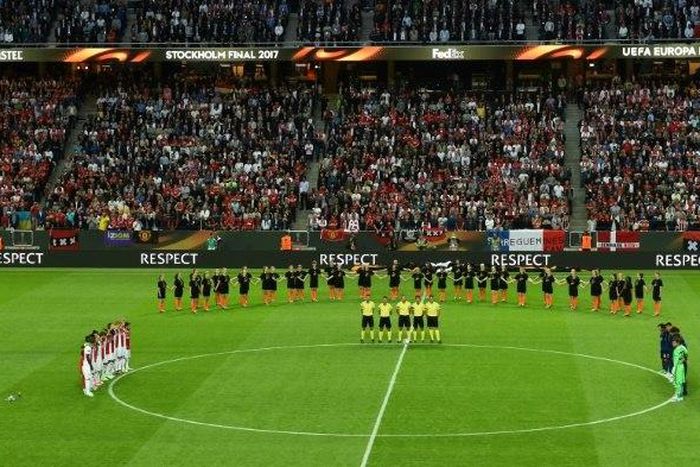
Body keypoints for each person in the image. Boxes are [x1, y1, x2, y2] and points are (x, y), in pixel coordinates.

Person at [671, 335, 688, 402]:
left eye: (674, 342)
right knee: (681, 381)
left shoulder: (676, 350)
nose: (672, 343)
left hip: (677, 367)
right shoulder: (683, 347)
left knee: (677, 382)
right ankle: (680, 396)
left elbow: (676, 360)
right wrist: (684, 359)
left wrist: (674, 368)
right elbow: (686, 354)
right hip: (682, 366)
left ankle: (677, 396)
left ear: (677, 342)